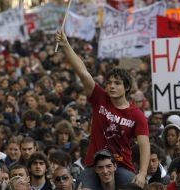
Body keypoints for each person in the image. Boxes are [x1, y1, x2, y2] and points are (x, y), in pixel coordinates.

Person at [56, 30, 150, 189]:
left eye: (117, 83)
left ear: (126, 87)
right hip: (94, 165)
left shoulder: (136, 115)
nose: (111, 86)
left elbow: (144, 145)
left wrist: (142, 173)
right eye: (109, 82)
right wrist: (65, 45)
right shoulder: (100, 97)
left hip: (121, 166)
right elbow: (83, 73)